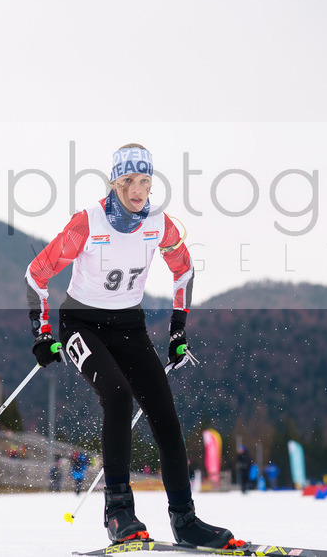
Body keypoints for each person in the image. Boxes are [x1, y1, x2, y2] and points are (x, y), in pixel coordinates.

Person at [25, 144, 236, 549]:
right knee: (119, 398)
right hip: (81, 324)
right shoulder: (88, 222)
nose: (137, 191)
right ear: (113, 183)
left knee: (165, 416)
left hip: (129, 326)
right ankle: (119, 513)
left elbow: (185, 271)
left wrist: (178, 330)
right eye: (127, 182)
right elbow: (36, 274)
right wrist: (42, 332)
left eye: (144, 181)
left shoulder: (159, 224)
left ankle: (185, 520)